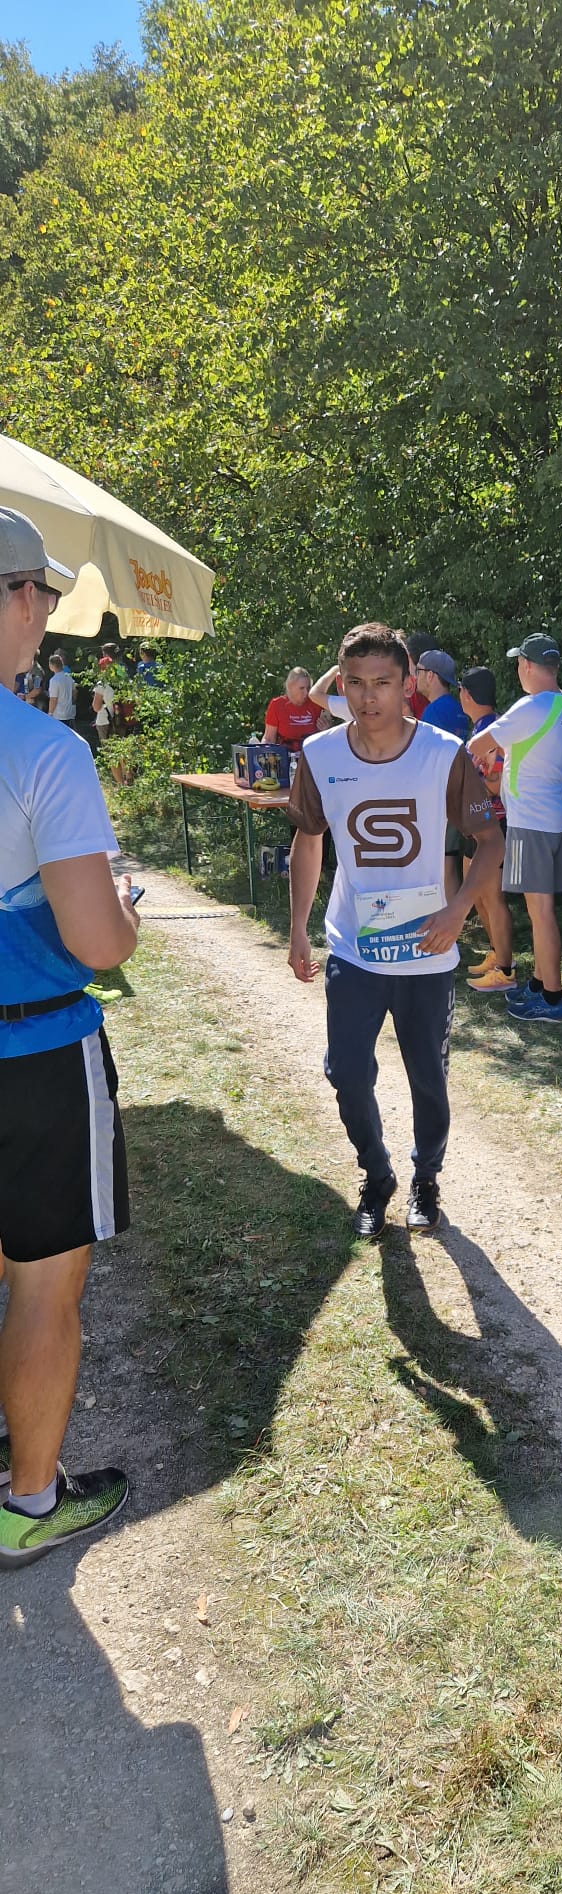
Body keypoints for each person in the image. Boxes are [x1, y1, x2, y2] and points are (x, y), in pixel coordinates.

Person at [0, 506, 141, 1568]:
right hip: (36, 1050)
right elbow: (97, 942)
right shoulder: (43, 749)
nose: (45, 614)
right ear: (11, 599)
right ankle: (31, 1500)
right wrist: (126, 907)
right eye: (40, 594)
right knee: (45, 1284)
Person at [286, 621, 502, 1237]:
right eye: (354, 683)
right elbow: (308, 840)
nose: (367, 696)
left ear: (409, 684)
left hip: (426, 951)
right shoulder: (319, 754)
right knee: (347, 1072)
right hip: (353, 947)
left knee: (427, 1081)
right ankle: (377, 1177)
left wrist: (458, 909)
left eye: (382, 682)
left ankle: (426, 1177)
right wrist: (298, 929)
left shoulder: (442, 753)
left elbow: (490, 842)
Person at [468, 633, 562, 1025]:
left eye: (520, 663)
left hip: (528, 821)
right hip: (556, 815)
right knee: (541, 909)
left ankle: (551, 998)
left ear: (530, 667)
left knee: (541, 912)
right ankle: (538, 981)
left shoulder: (529, 707)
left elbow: (478, 744)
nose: (518, 669)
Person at [458, 665, 516, 994]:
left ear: (468, 694)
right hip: (476, 823)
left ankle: (506, 971)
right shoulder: (481, 727)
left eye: (462, 692)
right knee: (478, 895)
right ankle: (496, 955)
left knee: (492, 897)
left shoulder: (493, 729)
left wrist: (467, 782)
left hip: (494, 824)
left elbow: (494, 785)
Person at [414, 650, 472, 905]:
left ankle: (449, 923)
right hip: (459, 791)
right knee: (450, 858)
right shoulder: (458, 708)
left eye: (418, 671)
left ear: (431, 676)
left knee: (444, 861)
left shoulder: (433, 713)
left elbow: (422, 760)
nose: (414, 676)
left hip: (438, 796)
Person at [262, 668, 321, 751]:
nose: (306, 693)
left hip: (311, 753)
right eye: (301, 688)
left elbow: (326, 737)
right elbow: (269, 738)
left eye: (308, 688)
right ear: (290, 687)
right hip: (285, 755)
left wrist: (327, 729)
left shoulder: (316, 703)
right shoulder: (277, 705)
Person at [47, 650, 77, 728]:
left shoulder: (54, 680)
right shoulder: (68, 677)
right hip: (68, 712)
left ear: (52, 665)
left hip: (58, 714)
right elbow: (74, 692)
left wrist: (50, 713)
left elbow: (53, 699)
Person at [91, 667, 116, 748]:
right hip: (120, 719)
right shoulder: (121, 680)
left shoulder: (101, 684)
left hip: (104, 720)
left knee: (107, 750)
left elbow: (96, 707)